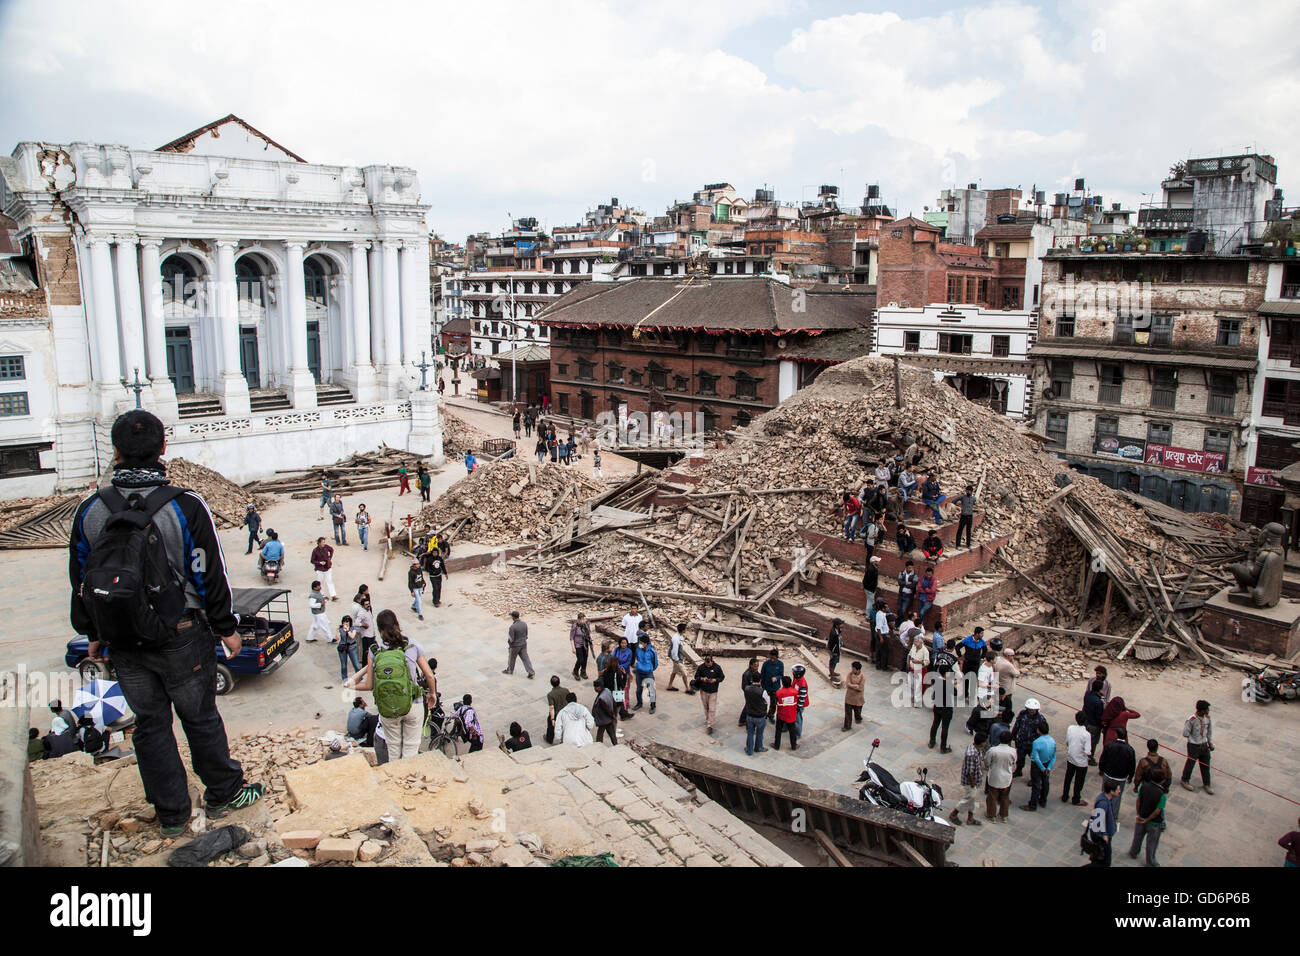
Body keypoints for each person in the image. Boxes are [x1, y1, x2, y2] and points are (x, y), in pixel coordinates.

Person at [68, 409, 263, 834]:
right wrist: (226, 626)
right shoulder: (185, 507)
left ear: (115, 452)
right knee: (200, 717)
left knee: (151, 726)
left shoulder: (90, 511)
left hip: (124, 639)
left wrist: (93, 634)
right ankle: (225, 793)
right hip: (182, 634)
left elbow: (82, 578)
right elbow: (210, 571)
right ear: (163, 449)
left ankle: (173, 814)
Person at [344, 611, 436, 761]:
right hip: (413, 703)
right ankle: (410, 780)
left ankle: (396, 779)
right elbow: (429, 675)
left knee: (393, 748)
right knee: (411, 748)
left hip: (388, 706)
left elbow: (369, 685)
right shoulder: (412, 645)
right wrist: (432, 694)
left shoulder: (374, 651)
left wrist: (351, 686)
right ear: (397, 625)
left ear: (379, 630)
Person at [1128, 766, 1167, 866]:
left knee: (1137, 837)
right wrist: (1148, 819)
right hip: (1154, 823)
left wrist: (1138, 814)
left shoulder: (1144, 786)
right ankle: (1150, 861)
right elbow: (1157, 811)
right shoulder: (1162, 794)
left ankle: (1133, 852)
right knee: (1151, 843)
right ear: (1162, 781)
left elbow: (1138, 800)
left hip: (1141, 817)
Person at [1098, 726, 1137, 818]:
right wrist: (1130, 776)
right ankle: (1113, 815)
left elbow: (1103, 759)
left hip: (1108, 774)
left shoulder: (1109, 745)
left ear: (1116, 735)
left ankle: (1102, 811)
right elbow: (1132, 765)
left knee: (1105, 793)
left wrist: (1101, 769)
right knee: (1117, 796)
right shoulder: (1130, 750)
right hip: (1121, 777)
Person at [950, 731, 987, 826]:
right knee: (969, 798)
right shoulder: (972, 754)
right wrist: (972, 783)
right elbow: (969, 772)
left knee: (973, 800)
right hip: (970, 782)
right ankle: (954, 814)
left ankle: (970, 818)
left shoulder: (976, 749)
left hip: (975, 780)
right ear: (982, 743)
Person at [1180, 699, 1214, 794]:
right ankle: (1185, 780)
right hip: (1194, 746)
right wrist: (1193, 740)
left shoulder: (1207, 718)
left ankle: (1207, 784)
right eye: (1207, 709)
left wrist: (1210, 743)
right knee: (1191, 763)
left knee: (1206, 765)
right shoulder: (1192, 720)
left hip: (1204, 745)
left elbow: (1209, 732)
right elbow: (1185, 733)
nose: (1208, 710)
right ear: (1202, 710)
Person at [1021, 719, 1056, 811]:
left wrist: (1042, 768)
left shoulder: (1036, 742)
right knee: (1045, 782)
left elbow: (1035, 757)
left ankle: (1033, 805)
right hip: (1047, 763)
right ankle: (1043, 801)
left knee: (1036, 785)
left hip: (1037, 765)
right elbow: (1054, 756)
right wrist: (1048, 768)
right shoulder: (1052, 741)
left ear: (1039, 730)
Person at [1085, 780, 1121, 867]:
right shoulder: (1103, 803)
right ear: (1111, 791)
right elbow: (1098, 821)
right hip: (1102, 838)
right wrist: (1104, 835)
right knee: (1104, 862)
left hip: (1102, 836)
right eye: (1118, 790)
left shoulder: (1104, 798)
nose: (1119, 791)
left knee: (1098, 857)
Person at [985, 730, 1015, 823]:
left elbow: (987, 762)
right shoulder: (1013, 751)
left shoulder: (993, 750)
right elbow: (1013, 763)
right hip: (1007, 777)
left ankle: (991, 815)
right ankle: (1004, 815)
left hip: (994, 776)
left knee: (992, 796)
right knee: (1005, 797)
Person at [1062, 711, 1091, 805]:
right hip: (1081, 762)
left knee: (1068, 778)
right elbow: (1087, 751)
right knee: (1079, 781)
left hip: (1071, 758)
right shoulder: (1086, 734)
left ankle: (1065, 795)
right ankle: (1076, 799)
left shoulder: (1070, 728)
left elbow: (1067, 742)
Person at [693, 655, 725, 734]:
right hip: (703, 690)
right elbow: (696, 676)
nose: (708, 666)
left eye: (709, 664)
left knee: (712, 708)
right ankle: (708, 719)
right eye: (707, 665)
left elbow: (722, 677)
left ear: (712, 661)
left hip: (713, 691)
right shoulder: (701, 667)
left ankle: (710, 725)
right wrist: (702, 679)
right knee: (706, 707)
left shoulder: (717, 667)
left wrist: (715, 680)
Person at [1010, 698, 1042, 777]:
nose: (1031, 711)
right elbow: (1017, 724)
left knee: (1034, 762)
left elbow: (1042, 732)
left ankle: (1033, 777)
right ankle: (1018, 771)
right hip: (1022, 742)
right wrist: (1013, 735)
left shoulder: (1040, 719)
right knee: (1020, 758)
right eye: (1029, 709)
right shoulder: (1022, 714)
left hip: (1033, 744)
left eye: (1033, 710)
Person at [502, 610, 535, 679]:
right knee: (526, 658)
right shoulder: (524, 624)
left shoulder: (512, 627)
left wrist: (510, 645)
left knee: (512, 658)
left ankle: (510, 670)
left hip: (515, 646)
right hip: (523, 644)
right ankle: (531, 672)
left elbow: (511, 639)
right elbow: (526, 634)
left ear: (513, 617)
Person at [743, 675, 768, 756]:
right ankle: (758, 747)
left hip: (750, 714)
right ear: (760, 680)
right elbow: (767, 702)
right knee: (759, 733)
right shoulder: (762, 691)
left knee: (750, 733)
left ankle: (749, 750)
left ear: (751, 679)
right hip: (760, 716)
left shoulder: (747, 689)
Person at [665, 622, 693, 694]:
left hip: (677, 658)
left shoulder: (680, 636)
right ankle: (687, 688)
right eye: (685, 629)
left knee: (674, 671)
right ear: (683, 630)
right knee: (684, 673)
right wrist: (677, 660)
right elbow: (674, 651)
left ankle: (670, 685)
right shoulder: (675, 639)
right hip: (677, 658)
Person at [1083, 678, 1106, 765]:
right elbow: (1099, 716)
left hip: (1086, 721)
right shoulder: (1098, 702)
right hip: (1094, 725)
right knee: (1092, 742)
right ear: (1099, 690)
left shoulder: (1087, 694)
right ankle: (1089, 758)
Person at [633, 633, 659, 713]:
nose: (640, 644)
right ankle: (639, 703)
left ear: (646, 644)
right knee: (638, 689)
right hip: (639, 672)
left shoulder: (652, 652)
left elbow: (655, 664)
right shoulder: (638, 649)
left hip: (648, 673)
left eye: (641, 643)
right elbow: (636, 658)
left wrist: (649, 669)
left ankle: (653, 706)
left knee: (651, 690)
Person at [773, 676, 799, 751]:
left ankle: (777, 745)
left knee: (778, 730)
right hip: (791, 714)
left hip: (781, 714)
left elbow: (775, 702)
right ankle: (794, 746)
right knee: (792, 731)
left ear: (782, 683)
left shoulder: (779, 692)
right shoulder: (795, 692)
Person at [612, 637, 636, 719]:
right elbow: (613, 659)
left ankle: (626, 703)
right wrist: (618, 667)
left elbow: (628, 662)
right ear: (620, 643)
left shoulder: (629, 652)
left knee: (626, 689)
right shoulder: (616, 650)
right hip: (616, 672)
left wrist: (620, 666)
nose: (623, 645)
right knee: (618, 689)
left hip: (625, 672)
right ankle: (620, 705)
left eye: (625, 643)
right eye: (622, 643)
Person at [737, 657, 763, 727]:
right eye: (755, 666)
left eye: (757, 666)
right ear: (751, 665)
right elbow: (744, 686)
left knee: (749, 705)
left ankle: (743, 720)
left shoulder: (755, 672)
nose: (756, 667)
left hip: (754, 691)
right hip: (749, 692)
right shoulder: (746, 674)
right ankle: (742, 720)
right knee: (748, 706)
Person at [760, 649, 784, 722]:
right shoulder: (766, 664)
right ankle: (763, 715)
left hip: (775, 687)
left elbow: (781, 675)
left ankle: (771, 715)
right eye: (771, 658)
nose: (772, 660)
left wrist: (776, 678)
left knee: (774, 703)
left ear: (777, 657)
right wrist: (762, 685)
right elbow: (762, 674)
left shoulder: (780, 664)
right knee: (764, 702)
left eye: (774, 658)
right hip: (766, 686)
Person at [544, 675, 570, 744]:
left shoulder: (550, 694)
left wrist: (552, 719)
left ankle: (549, 739)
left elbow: (551, 707)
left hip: (557, 714)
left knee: (551, 726)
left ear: (551, 683)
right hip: (566, 712)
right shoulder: (566, 690)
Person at [906, 632, 929, 707]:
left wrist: (918, 661)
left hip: (919, 668)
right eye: (914, 641)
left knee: (918, 686)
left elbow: (927, 662)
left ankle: (917, 703)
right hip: (911, 668)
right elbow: (909, 654)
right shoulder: (913, 646)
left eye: (916, 641)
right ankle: (911, 698)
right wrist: (908, 663)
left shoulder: (925, 651)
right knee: (910, 684)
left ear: (920, 642)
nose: (915, 643)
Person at [994, 647, 1020, 712]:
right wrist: (1014, 663)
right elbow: (1017, 674)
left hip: (998, 685)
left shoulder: (998, 659)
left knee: (998, 703)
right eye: (1012, 656)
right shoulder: (1008, 665)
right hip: (1006, 689)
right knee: (1006, 706)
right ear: (1009, 656)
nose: (1013, 658)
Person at [592, 680, 618, 746]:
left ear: (599, 687)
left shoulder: (601, 698)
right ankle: (616, 745)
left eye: (595, 687)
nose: (594, 689)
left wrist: (613, 716)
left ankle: (599, 747)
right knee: (611, 733)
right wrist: (614, 714)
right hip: (609, 718)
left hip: (603, 719)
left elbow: (606, 709)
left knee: (600, 735)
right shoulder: (607, 690)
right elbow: (613, 702)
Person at [311, 536, 337, 601]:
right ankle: (322, 595)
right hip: (320, 569)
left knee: (329, 581)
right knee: (320, 582)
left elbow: (331, 550)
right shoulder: (315, 551)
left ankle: (333, 595)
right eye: (322, 542)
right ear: (319, 543)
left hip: (327, 567)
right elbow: (312, 560)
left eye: (324, 542)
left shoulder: (326, 547)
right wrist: (319, 562)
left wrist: (329, 558)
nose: (324, 543)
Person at [569, 612, 593, 680]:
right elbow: (571, 638)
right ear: (578, 620)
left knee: (585, 658)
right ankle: (575, 671)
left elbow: (589, 632)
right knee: (580, 659)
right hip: (577, 644)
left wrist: (591, 638)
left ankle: (583, 671)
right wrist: (573, 648)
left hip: (585, 643)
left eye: (584, 619)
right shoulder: (575, 626)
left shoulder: (587, 624)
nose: (583, 621)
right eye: (582, 620)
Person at [843, 661, 866, 731]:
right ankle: (847, 726)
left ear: (858, 670)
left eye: (853, 669)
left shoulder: (862, 677)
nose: (852, 670)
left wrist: (852, 686)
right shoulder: (849, 674)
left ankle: (858, 718)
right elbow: (847, 684)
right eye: (852, 668)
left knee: (857, 711)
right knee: (848, 714)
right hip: (849, 697)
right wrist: (856, 686)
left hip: (858, 699)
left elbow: (860, 688)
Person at [336, 616, 361, 682]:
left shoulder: (353, 628)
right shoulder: (341, 629)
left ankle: (359, 677)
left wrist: (347, 630)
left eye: (347, 621)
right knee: (343, 665)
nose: (346, 623)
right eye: (344, 621)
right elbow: (337, 638)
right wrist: (338, 630)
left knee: (356, 664)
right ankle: (344, 678)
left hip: (352, 647)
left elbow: (352, 636)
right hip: (343, 647)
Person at [355, 594, 377, 666]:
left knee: (372, 650)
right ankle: (365, 665)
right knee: (367, 651)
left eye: (368, 604)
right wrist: (363, 625)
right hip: (366, 636)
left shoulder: (368, 610)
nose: (368, 605)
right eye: (366, 604)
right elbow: (356, 623)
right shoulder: (361, 613)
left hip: (371, 634)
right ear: (362, 606)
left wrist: (374, 634)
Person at [952, 484, 976, 548]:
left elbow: (974, 503)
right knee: (960, 531)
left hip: (970, 516)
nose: (968, 492)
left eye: (969, 491)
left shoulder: (973, 498)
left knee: (968, 531)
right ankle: (958, 545)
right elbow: (953, 501)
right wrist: (958, 507)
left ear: (971, 492)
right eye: (967, 491)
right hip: (963, 516)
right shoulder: (962, 497)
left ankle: (968, 544)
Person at [872, 601, 892, 671]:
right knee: (884, 651)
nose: (888, 608)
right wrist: (881, 637)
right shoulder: (880, 616)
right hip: (882, 635)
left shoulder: (880, 613)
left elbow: (884, 615)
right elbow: (878, 628)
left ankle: (879, 665)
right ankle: (883, 666)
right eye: (886, 607)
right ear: (883, 608)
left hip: (881, 634)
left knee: (880, 650)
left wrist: (890, 614)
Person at [791, 664, 809, 737]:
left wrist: (798, 707)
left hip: (799, 704)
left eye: (794, 672)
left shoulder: (802, 684)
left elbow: (802, 697)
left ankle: (797, 734)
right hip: (794, 701)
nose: (793, 673)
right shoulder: (796, 679)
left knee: (797, 719)